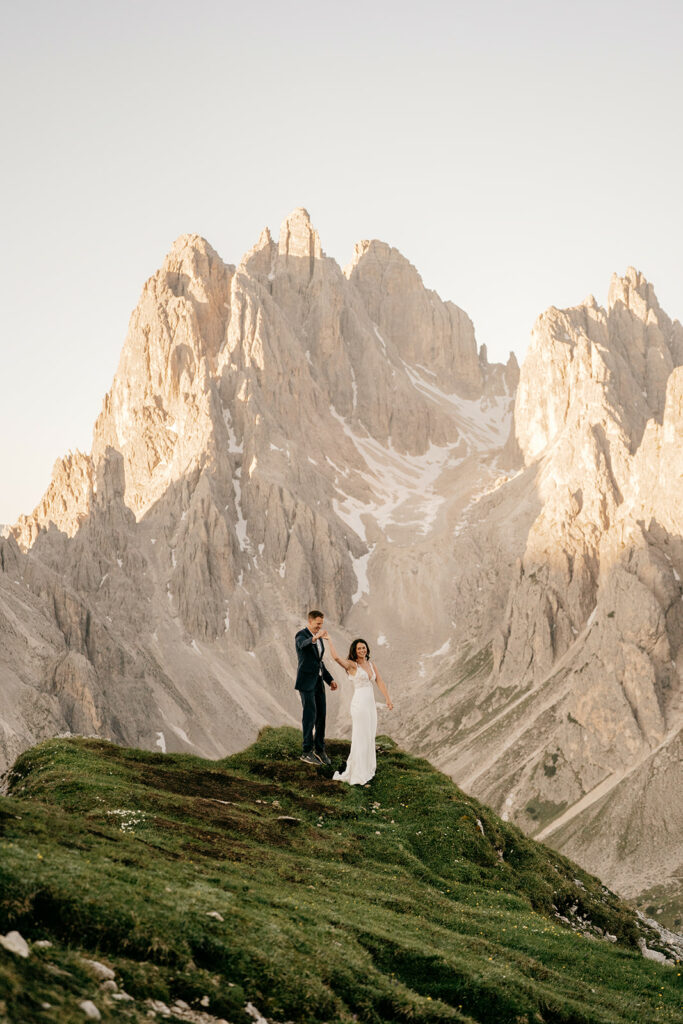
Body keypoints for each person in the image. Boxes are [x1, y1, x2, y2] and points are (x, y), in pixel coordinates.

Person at [325, 636, 393, 785]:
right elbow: (336, 658)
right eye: (359, 648)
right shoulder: (352, 665)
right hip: (360, 704)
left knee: (369, 734)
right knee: (360, 735)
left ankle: (368, 766)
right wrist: (330, 640)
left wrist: (387, 698)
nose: (362, 650)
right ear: (354, 651)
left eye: (364, 647)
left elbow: (379, 681)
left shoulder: (371, 664)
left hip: (370, 704)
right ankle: (358, 770)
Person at [294, 610, 337, 765]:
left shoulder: (319, 639)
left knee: (321, 716)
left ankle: (320, 749)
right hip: (305, 683)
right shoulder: (301, 635)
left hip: (318, 682)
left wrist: (330, 679)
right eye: (318, 623)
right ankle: (306, 751)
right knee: (309, 716)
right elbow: (302, 645)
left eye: (321, 624)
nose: (320, 626)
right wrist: (314, 638)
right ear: (310, 621)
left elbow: (319, 662)